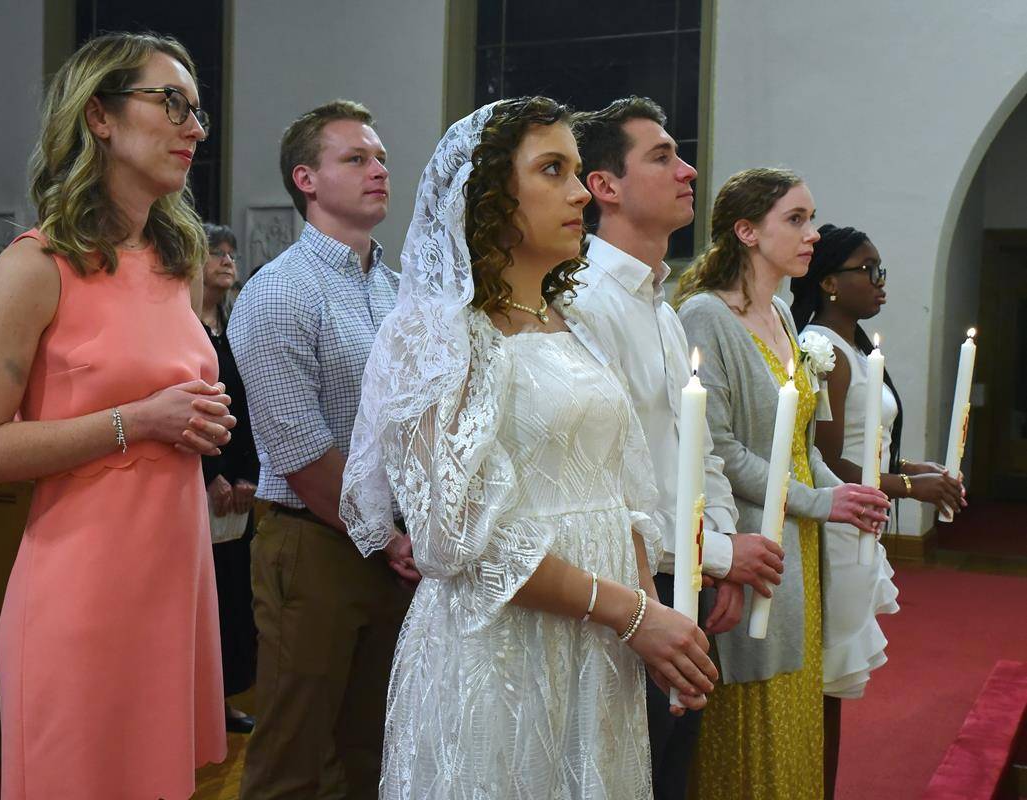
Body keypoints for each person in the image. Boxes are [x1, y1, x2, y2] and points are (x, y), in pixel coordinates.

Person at [340, 96, 718, 800]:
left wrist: (653, 625)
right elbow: (459, 538)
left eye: (577, 170)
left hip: (599, 642)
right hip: (502, 648)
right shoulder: (437, 334)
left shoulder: (570, 321)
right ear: (487, 195)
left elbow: (624, 493)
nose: (580, 192)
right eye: (553, 170)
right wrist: (635, 614)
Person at [0, 32, 233, 800]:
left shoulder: (177, 261)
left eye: (198, 111)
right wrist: (139, 421)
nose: (194, 128)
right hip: (85, 590)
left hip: (172, 581)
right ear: (99, 116)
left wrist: (199, 430)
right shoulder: (35, 266)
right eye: (171, 103)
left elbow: (168, 404)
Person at [569, 97, 786, 800]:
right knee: (623, 772)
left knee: (668, 772)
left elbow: (700, 453)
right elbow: (605, 476)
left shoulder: (660, 309)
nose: (687, 169)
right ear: (603, 187)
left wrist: (717, 547)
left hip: (680, 572)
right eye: (661, 157)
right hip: (623, 585)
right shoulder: (580, 302)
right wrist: (718, 555)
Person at [674, 168, 891, 800]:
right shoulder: (705, 317)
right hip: (746, 541)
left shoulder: (782, 318)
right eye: (795, 220)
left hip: (796, 541)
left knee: (795, 701)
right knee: (749, 720)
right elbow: (716, 447)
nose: (812, 234)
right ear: (746, 231)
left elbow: (797, 445)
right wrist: (820, 499)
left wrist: (840, 497)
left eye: (811, 218)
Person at [228, 99, 418, 800]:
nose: (378, 171)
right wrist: (385, 537)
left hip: (390, 542)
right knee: (294, 752)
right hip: (314, 542)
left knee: (372, 745)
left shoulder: (397, 290)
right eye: (356, 159)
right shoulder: (279, 292)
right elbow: (301, 452)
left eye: (381, 160)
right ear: (306, 179)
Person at [790, 223, 964, 797]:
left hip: (861, 520)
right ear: (830, 283)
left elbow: (871, 447)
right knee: (828, 681)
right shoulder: (822, 352)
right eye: (869, 269)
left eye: (880, 269)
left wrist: (918, 470)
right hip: (838, 527)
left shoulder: (856, 348)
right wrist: (909, 491)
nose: (880, 281)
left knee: (835, 684)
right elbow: (830, 462)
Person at [199, 221, 258, 735]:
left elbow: (249, 405)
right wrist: (211, 475)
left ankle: (222, 698)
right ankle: (192, 704)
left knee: (233, 594)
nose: (226, 261)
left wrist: (245, 474)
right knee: (200, 597)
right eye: (214, 253)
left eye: (229, 253)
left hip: (237, 482)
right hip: (195, 482)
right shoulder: (180, 327)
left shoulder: (235, 324)